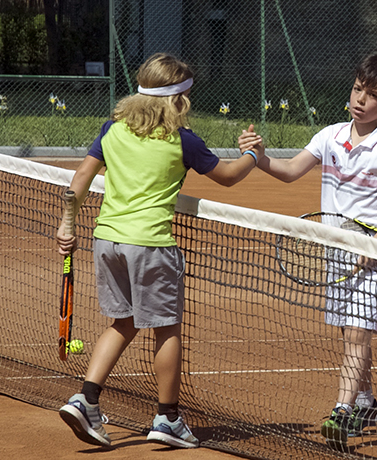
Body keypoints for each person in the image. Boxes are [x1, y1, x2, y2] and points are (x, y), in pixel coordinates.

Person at [56, 53, 263, 449]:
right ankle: (167, 418)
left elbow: (80, 179)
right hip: (150, 246)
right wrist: (252, 153)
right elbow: (230, 177)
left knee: (124, 321)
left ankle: (86, 398)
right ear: (179, 100)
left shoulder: (111, 130)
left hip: (107, 241)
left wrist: (67, 223)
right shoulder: (183, 141)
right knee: (167, 328)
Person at [239, 52, 377, 450]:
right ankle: (367, 403)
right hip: (335, 255)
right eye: (357, 89)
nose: (360, 99)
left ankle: (341, 411)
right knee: (352, 333)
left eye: (372, 95)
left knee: (357, 333)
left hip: (371, 259)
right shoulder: (329, 135)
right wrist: (258, 156)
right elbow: (288, 172)